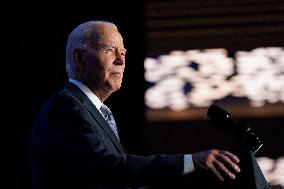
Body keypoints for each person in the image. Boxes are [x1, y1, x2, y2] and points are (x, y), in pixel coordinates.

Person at [29, 20, 241, 189]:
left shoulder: (94, 110)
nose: (121, 61)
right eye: (110, 50)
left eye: (123, 54)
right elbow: (107, 168)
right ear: (79, 58)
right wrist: (190, 162)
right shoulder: (66, 107)